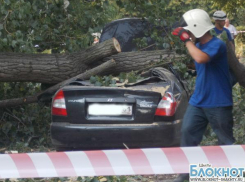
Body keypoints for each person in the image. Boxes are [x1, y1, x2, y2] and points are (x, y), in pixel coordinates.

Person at [172, 9, 235, 182]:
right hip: (198, 101)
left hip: (218, 102)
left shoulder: (217, 44)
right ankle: (186, 175)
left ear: (196, 28)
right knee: (187, 133)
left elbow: (200, 59)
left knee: (226, 142)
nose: (188, 33)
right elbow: (197, 63)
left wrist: (186, 41)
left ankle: (230, 176)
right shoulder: (198, 46)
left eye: (189, 30)